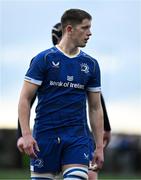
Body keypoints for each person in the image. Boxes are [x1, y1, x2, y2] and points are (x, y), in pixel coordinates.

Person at [17, 21, 111, 179]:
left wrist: (104, 129)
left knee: (90, 175)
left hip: (77, 133)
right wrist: (23, 134)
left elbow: (96, 101)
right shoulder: (44, 60)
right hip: (47, 134)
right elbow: (26, 99)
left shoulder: (86, 65)